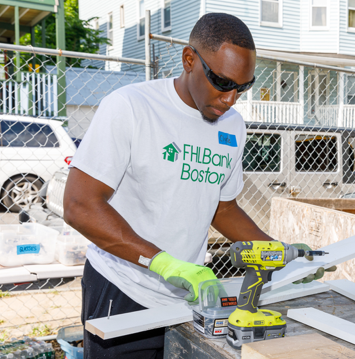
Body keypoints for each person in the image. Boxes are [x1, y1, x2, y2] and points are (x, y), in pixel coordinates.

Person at [64, 14, 330, 358]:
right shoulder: (131, 107)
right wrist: (164, 264)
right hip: (124, 288)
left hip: (189, 297)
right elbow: (80, 205)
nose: (231, 98)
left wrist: (281, 255)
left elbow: (223, 207)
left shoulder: (232, 125)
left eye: (243, 87)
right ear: (189, 60)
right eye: (222, 82)